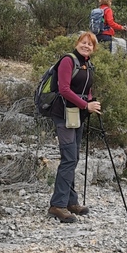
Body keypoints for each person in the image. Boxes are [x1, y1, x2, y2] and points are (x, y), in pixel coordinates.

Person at [47, 32, 102, 223]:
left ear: (94, 49)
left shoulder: (87, 64)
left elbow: (86, 89)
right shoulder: (68, 61)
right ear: (77, 43)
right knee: (69, 157)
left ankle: (70, 202)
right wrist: (86, 105)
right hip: (63, 114)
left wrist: (90, 101)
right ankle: (57, 205)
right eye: (83, 42)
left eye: (90, 44)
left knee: (74, 157)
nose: (86, 46)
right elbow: (64, 89)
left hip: (77, 115)